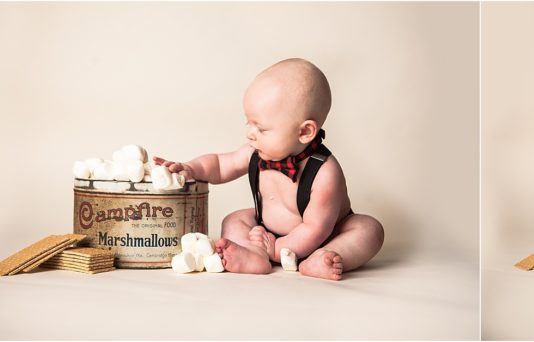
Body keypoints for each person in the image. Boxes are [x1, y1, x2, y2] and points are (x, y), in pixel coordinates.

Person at [156, 58, 384, 280]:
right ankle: (253, 255)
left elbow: (316, 228)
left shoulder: (324, 172)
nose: (250, 134)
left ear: (305, 132)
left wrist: (277, 249)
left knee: (369, 229)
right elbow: (219, 164)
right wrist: (190, 168)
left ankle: (322, 258)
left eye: (262, 129)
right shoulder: (254, 152)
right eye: (250, 124)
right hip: (265, 233)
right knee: (234, 220)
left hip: (324, 236)